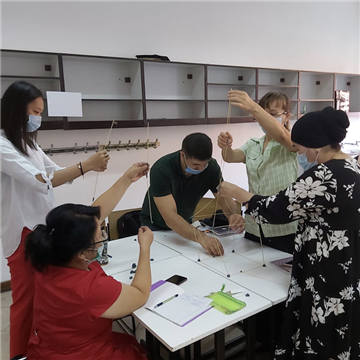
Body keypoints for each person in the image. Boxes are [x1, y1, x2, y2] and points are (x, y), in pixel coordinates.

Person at [218, 106, 360, 359]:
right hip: (347, 259)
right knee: (340, 317)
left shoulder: (323, 174)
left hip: (325, 263)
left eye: (304, 148)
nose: (302, 153)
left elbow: (279, 208)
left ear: (317, 145)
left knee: (322, 315)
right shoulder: (353, 167)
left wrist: (239, 194)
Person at [0, 81, 110, 358]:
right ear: (16, 111)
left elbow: (56, 172)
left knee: (44, 299)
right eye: (34, 112)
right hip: (22, 232)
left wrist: (88, 166)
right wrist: (87, 165)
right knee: (26, 303)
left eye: (40, 112)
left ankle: (42, 350)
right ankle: (19, 355)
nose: (38, 118)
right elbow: (41, 181)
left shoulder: (27, 142)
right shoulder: (2, 144)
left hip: (42, 227)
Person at [25, 162, 151, 360]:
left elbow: (95, 214)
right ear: (82, 252)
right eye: (99, 233)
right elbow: (140, 293)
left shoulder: (50, 256)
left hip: (49, 349)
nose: (102, 233)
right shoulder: (89, 288)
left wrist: (126, 179)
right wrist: (144, 248)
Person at [218, 91, 298, 254]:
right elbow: (230, 157)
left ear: (287, 116)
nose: (265, 119)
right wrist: (225, 146)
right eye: (263, 114)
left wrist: (255, 108)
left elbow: (282, 135)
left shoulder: (292, 142)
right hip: (255, 225)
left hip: (283, 227)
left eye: (273, 114)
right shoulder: (254, 144)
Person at [140, 132, 244, 256]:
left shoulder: (211, 167)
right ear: (183, 155)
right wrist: (202, 238)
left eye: (205, 164)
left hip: (186, 226)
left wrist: (232, 214)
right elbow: (170, 218)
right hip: (155, 228)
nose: (201, 169)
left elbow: (223, 197)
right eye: (196, 165)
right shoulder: (161, 170)